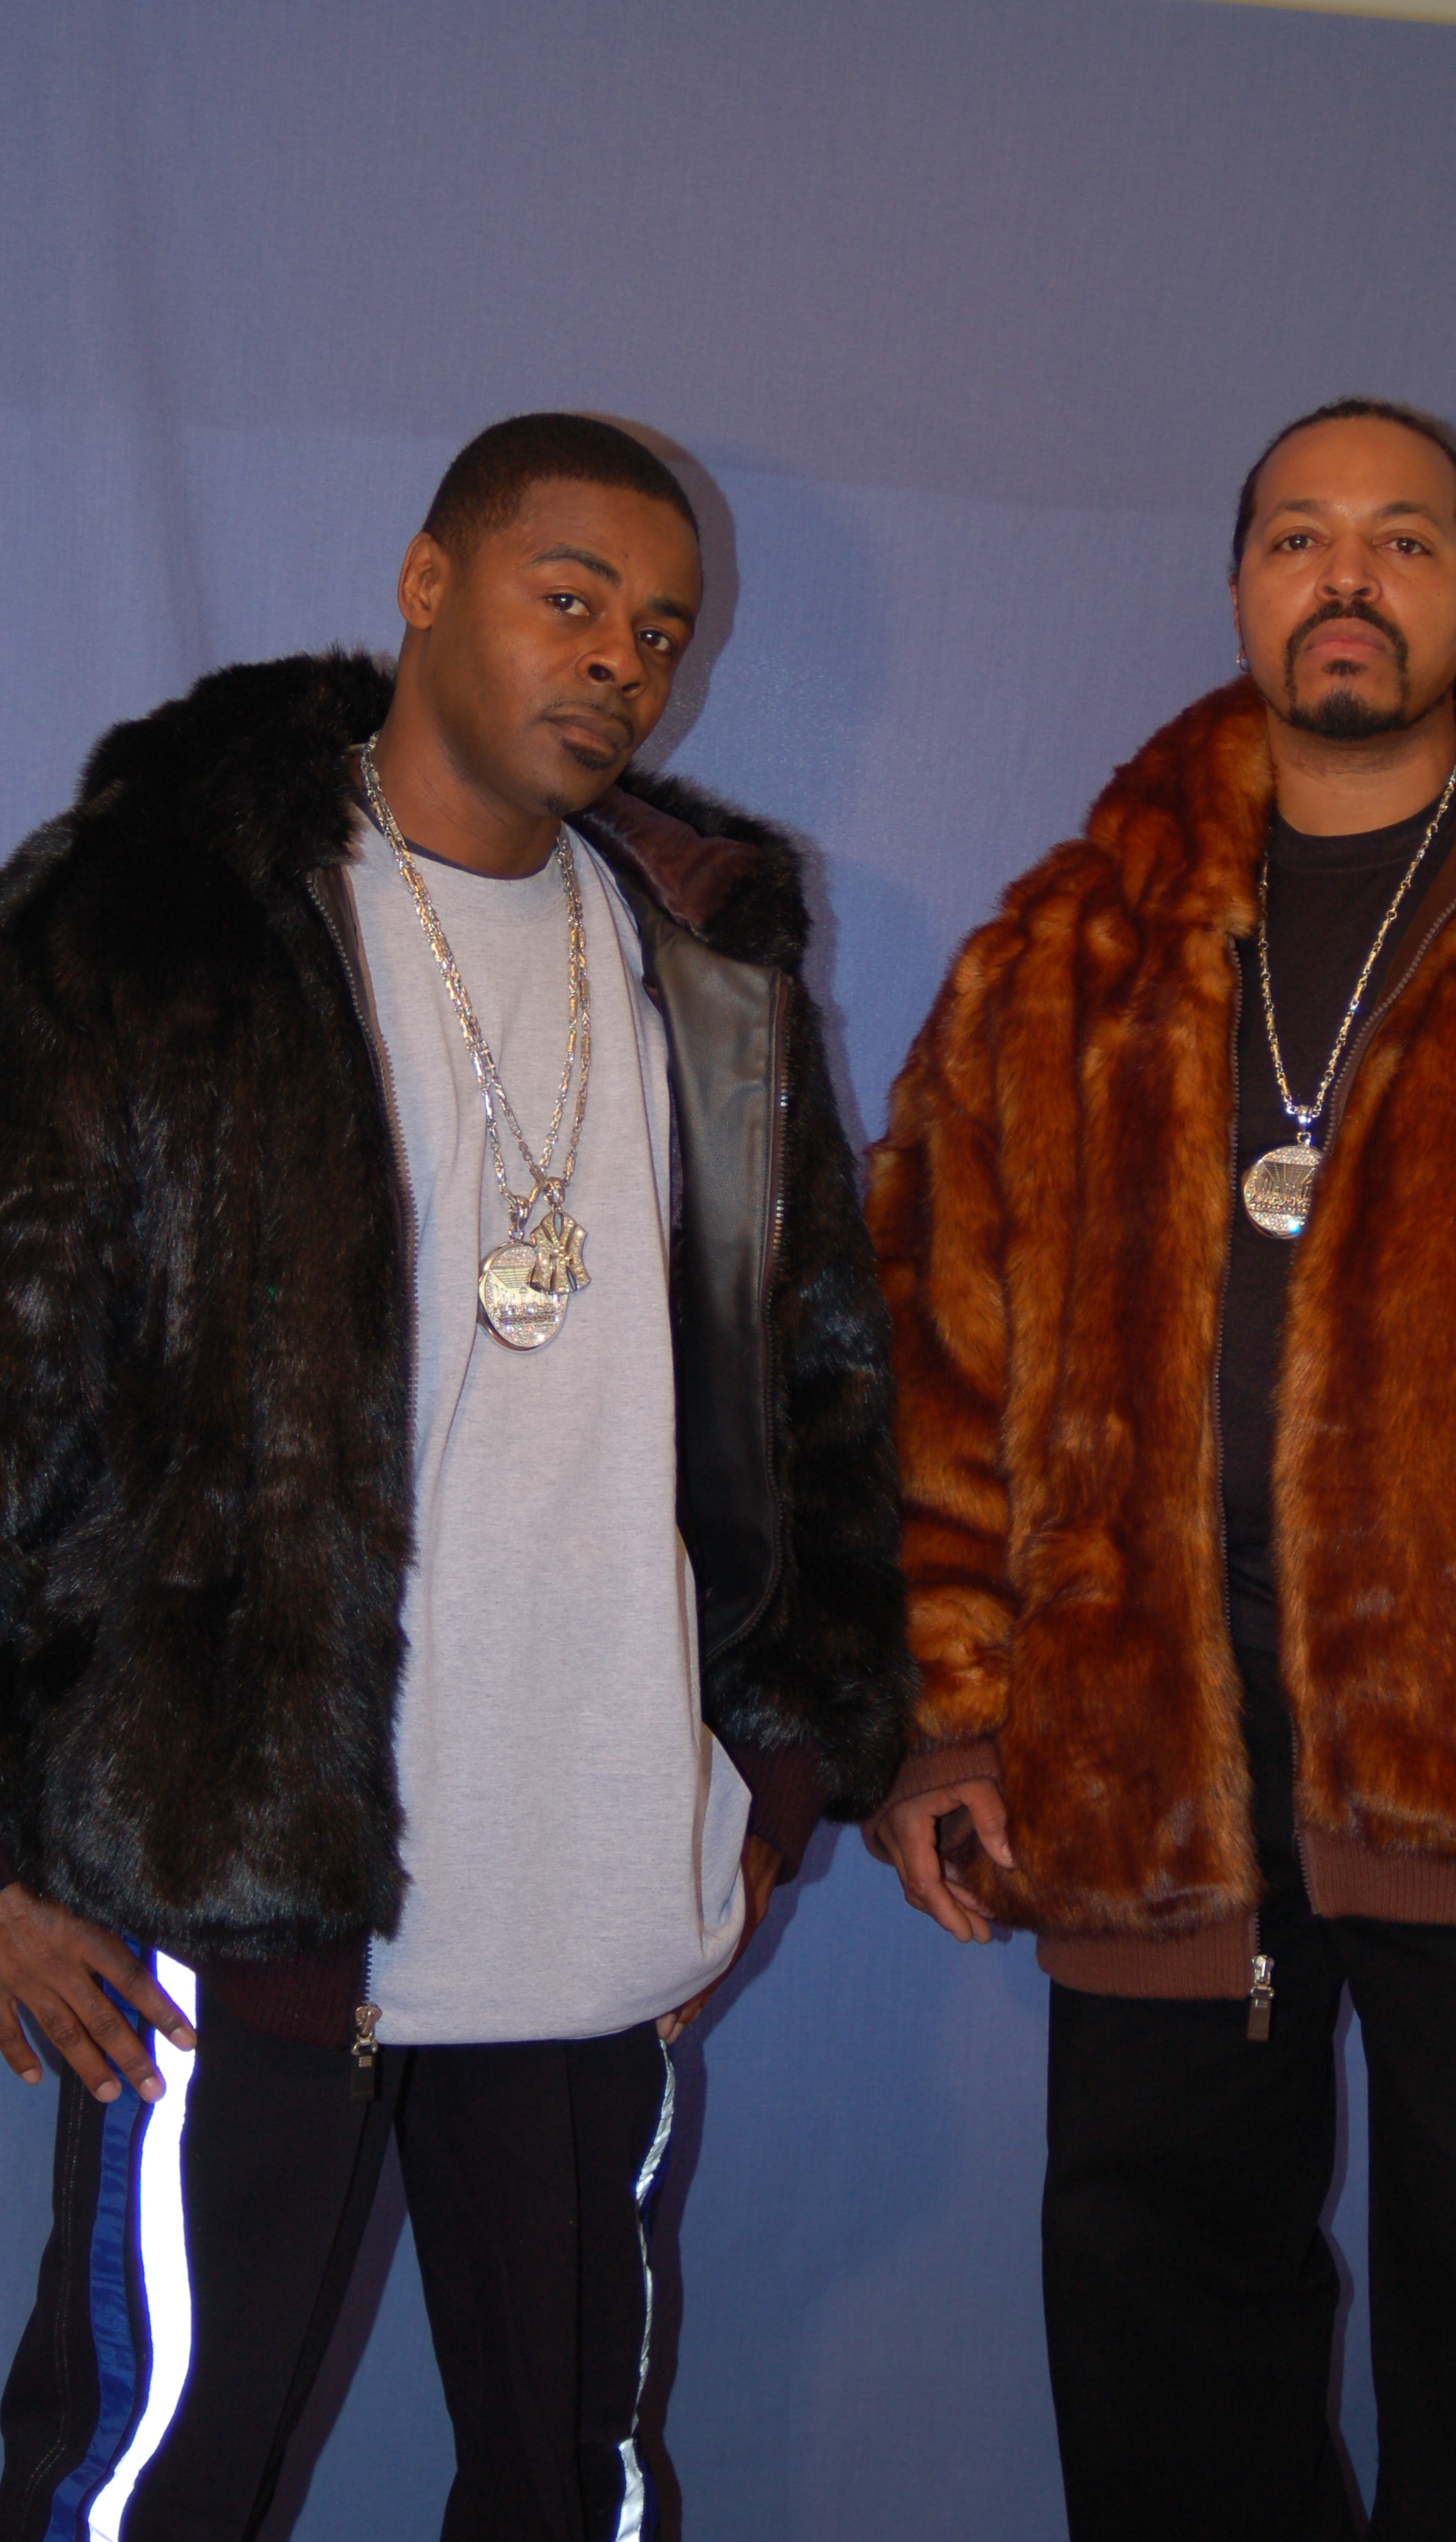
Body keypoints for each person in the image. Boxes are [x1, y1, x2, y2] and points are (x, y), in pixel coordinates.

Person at [0, 411, 910, 2542]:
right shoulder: (164, 922)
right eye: (567, 596)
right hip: (232, 1881)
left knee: (569, 2478)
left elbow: (820, 1401)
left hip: (595, 1895)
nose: (618, 661)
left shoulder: (708, 972)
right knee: (147, 2482)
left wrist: (770, 1787)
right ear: (428, 585)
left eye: (660, 630)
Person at [866, 397, 1456, 2542]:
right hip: (1149, 1766)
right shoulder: (1064, 949)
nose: (1348, 575)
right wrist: (949, 1715)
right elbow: (936, 1356)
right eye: (1301, 535)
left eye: (1402, 537)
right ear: (1238, 587)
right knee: (1164, 2357)